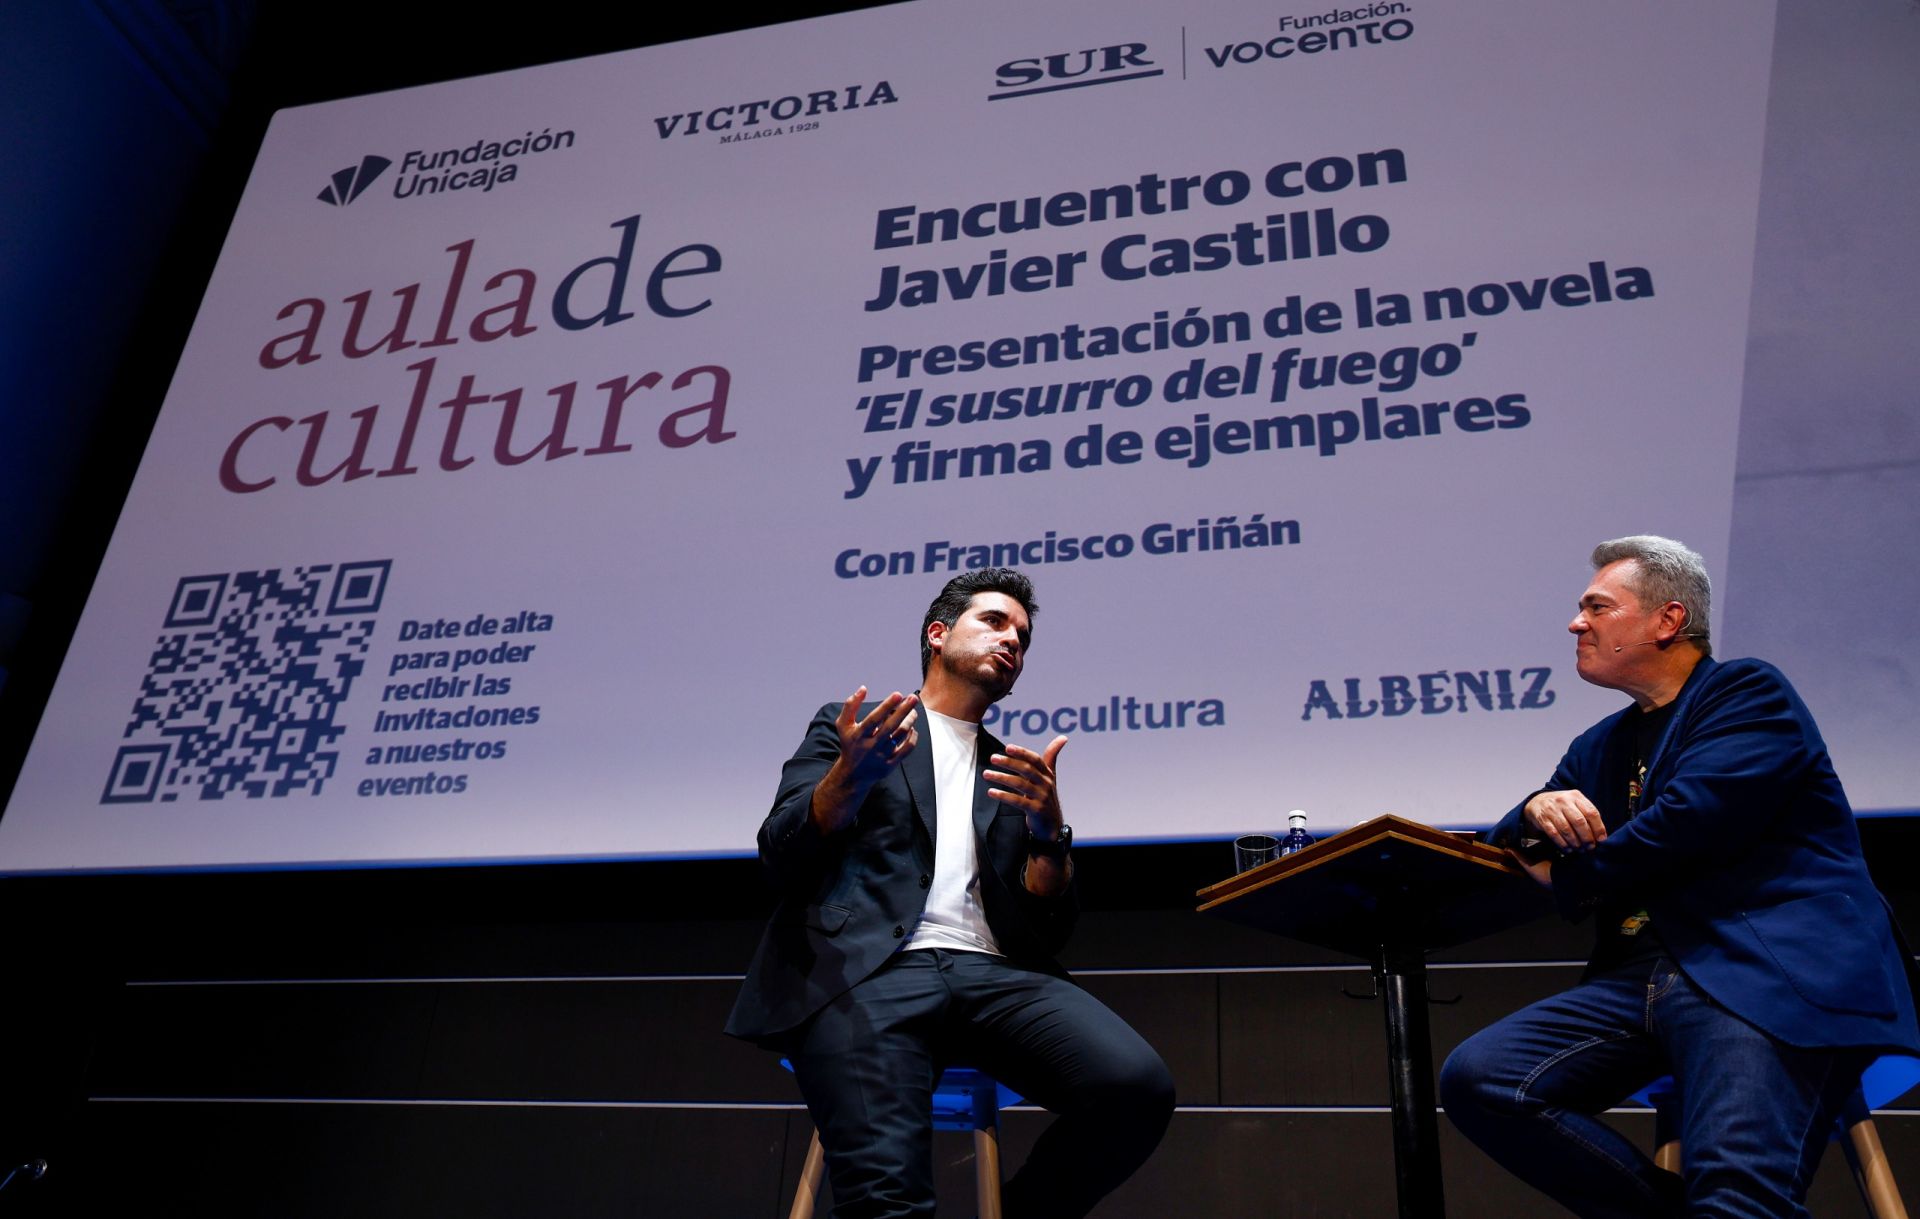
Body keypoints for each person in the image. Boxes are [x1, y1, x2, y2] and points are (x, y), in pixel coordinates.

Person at [1440, 535, 1920, 1217]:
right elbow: (1513, 844)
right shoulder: (1599, 743)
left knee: (1737, 1195)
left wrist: (1571, 877)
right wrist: (1533, 808)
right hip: (1639, 979)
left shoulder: (1748, 692)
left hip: (1758, 969)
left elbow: (1686, 825)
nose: (1577, 623)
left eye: (1597, 606)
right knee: (1481, 1079)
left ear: (1668, 620)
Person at [726, 567, 1173, 1218]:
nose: (1012, 640)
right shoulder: (854, 730)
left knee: (1137, 1088)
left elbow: (1047, 929)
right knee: (890, 1200)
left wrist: (1050, 833)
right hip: (871, 970)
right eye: (994, 621)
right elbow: (780, 851)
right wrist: (846, 779)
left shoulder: (1012, 770)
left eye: (1022, 635)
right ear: (937, 634)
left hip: (993, 978)